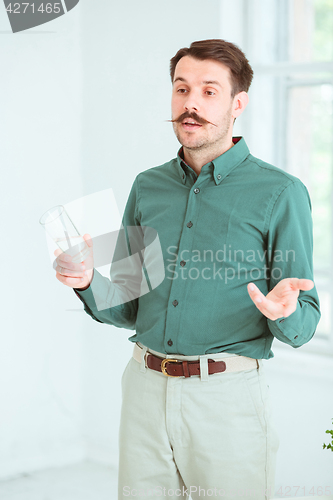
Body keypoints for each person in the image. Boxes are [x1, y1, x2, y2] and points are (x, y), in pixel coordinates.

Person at [54, 39, 321, 500]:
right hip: (143, 391)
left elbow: (305, 320)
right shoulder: (148, 186)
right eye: (181, 89)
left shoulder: (281, 193)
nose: (190, 104)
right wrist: (86, 283)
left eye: (209, 91)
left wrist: (284, 314)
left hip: (227, 400)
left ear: (238, 103)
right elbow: (127, 302)